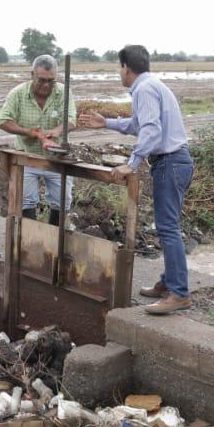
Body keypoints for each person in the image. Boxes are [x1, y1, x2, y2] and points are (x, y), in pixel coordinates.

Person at [78, 44, 193, 315]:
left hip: (170, 162)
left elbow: (151, 130)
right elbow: (138, 124)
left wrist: (132, 164)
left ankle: (179, 293)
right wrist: (106, 123)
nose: (120, 73)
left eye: (119, 68)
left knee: (168, 227)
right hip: (175, 162)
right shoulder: (151, 85)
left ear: (125, 67)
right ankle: (169, 283)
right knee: (168, 225)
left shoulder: (144, 89)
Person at [0, 54, 75, 226]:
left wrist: (55, 132)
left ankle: (54, 238)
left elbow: (71, 120)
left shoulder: (63, 92)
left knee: (62, 201)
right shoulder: (18, 93)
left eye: (51, 81)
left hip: (56, 158)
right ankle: (30, 237)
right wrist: (29, 132)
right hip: (27, 156)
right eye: (41, 80)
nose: (46, 85)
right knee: (25, 200)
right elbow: (2, 121)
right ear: (32, 75)